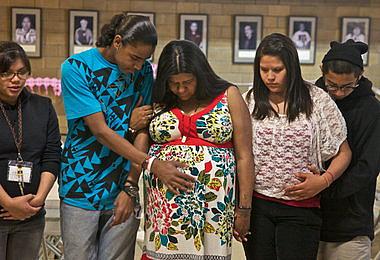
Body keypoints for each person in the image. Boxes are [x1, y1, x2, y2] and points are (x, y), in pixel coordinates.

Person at [60, 14, 194, 260]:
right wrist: (149, 159)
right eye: (134, 57)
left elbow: (143, 128)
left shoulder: (142, 71)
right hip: (81, 186)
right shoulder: (76, 68)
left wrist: (131, 186)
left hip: (122, 187)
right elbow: (99, 130)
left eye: (144, 59)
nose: (137, 65)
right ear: (118, 41)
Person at [142, 40, 254, 259]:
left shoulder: (228, 95)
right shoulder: (158, 99)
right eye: (174, 83)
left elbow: (244, 156)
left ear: (201, 75)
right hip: (165, 209)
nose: (181, 89)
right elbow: (140, 144)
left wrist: (244, 208)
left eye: (187, 82)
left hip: (214, 205)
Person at [243, 33, 352, 260]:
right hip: (258, 206)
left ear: (291, 67)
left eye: (277, 70)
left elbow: (344, 152)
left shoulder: (317, 99)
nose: (270, 77)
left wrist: (325, 180)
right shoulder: (249, 100)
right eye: (264, 70)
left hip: (301, 207)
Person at [315, 40, 380, 260]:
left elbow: (368, 167)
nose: (339, 93)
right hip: (309, 217)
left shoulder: (371, 110)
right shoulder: (313, 101)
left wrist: (326, 187)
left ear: (359, 77)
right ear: (323, 74)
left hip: (351, 223)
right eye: (332, 85)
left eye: (347, 86)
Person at [0, 41, 61, 259]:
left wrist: (37, 201)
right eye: (6, 73)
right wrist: (8, 203)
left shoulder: (43, 106)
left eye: (21, 72)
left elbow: (52, 155)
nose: (15, 79)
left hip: (31, 217)